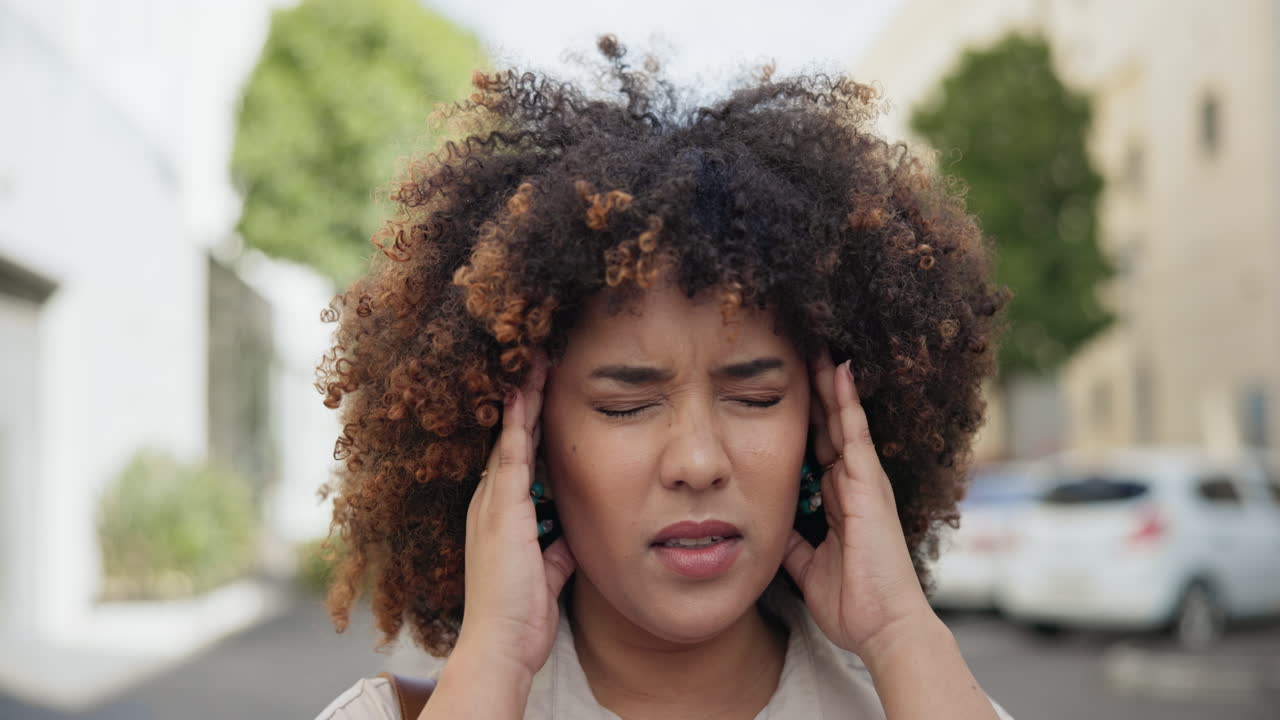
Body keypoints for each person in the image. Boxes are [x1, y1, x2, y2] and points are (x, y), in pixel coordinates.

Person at [313, 33, 1014, 720]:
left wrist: (899, 631)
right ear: (525, 448)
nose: (698, 461)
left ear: (825, 429)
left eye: (755, 397)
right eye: (626, 405)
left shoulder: (923, 698)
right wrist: (492, 660)